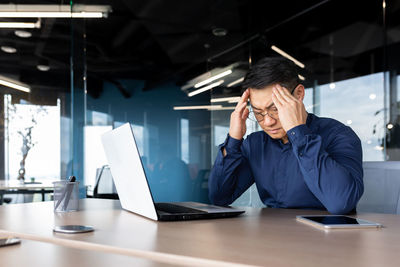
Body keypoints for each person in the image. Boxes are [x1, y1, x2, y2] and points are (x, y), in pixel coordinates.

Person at [208, 57, 364, 214]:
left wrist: (298, 131)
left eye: (275, 108)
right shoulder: (256, 144)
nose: (268, 121)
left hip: (327, 235)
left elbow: (341, 203)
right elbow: (219, 197)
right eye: (258, 113)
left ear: (298, 94)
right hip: (272, 233)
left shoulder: (338, 135)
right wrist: (233, 140)